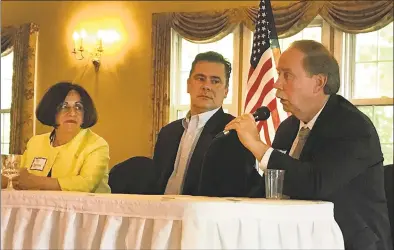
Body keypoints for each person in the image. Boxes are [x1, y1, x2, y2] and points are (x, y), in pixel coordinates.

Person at [224, 40, 392, 250]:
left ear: (319, 83)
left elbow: (315, 185)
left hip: (348, 242)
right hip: (296, 240)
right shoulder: (288, 128)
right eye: (278, 74)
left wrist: (258, 146)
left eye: (287, 75)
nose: (277, 84)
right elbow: (277, 190)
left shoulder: (352, 126)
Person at [154, 51, 259, 196]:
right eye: (200, 78)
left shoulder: (234, 132)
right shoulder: (167, 133)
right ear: (188, 85)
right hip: (161, 214)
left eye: (215, 81)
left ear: (226, 91)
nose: (206, 86)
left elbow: (236, 190)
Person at [2, 82, 111, 193]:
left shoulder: (96, 144)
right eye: (64, 106)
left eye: (78, 107)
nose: (72, 113)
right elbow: (17, 176)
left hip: (87, 208)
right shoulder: (36, 142)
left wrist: (37, 182)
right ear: (51, 111)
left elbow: (86, 184)